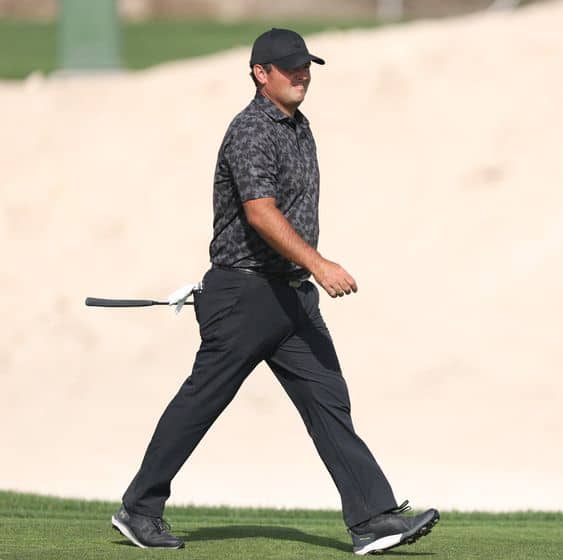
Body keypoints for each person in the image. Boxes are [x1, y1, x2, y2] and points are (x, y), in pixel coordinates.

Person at [110, 28, 439, 556]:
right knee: (202, 402)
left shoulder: (299, 127)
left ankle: (372, 518)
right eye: (290, 67)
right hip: (245, 294)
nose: (302, 73)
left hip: (289, 295)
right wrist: (319, 264)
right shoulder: (250, 131)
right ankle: (139, 509)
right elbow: (260, 212)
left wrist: (305, 273)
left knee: (329, 399)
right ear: (261, 74)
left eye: (306, 65)